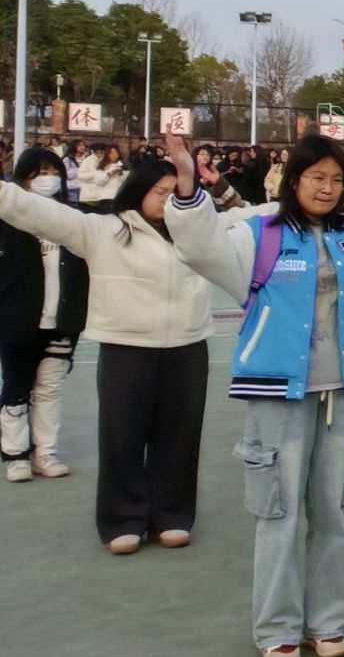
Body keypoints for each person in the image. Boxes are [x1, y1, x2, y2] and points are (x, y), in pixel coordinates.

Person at [164, 132, 344, 657]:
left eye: (337, 179)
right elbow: (200, 247)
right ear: (293, 179)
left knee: (331, 511)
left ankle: (327, 622)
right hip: (276, 392)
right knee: (277, 512)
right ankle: (277, 629)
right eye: (316, 177)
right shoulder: (258, 234)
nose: (327, 188)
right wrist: (186, 186)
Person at [0, 156, 214, 551]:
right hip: (126, 348)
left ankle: (172, 515)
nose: (167, 201)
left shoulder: (197, 233)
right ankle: (123, 520)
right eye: (160, 192)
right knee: (122, 436)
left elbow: (251, 219)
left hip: (187, 347)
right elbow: (33, 211)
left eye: (175, 193)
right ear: (139, 190)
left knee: (180, 437)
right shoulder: (102, 230)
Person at [0, 149, 88, 482]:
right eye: (38, 173)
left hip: (61, 323)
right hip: (18, 321)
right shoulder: (8, 222)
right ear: (22, 178)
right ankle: (15, 454)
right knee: (16, 389)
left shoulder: (71, 220)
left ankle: (45, 452)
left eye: (53, 172)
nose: (47, 179)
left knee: (49, 390)